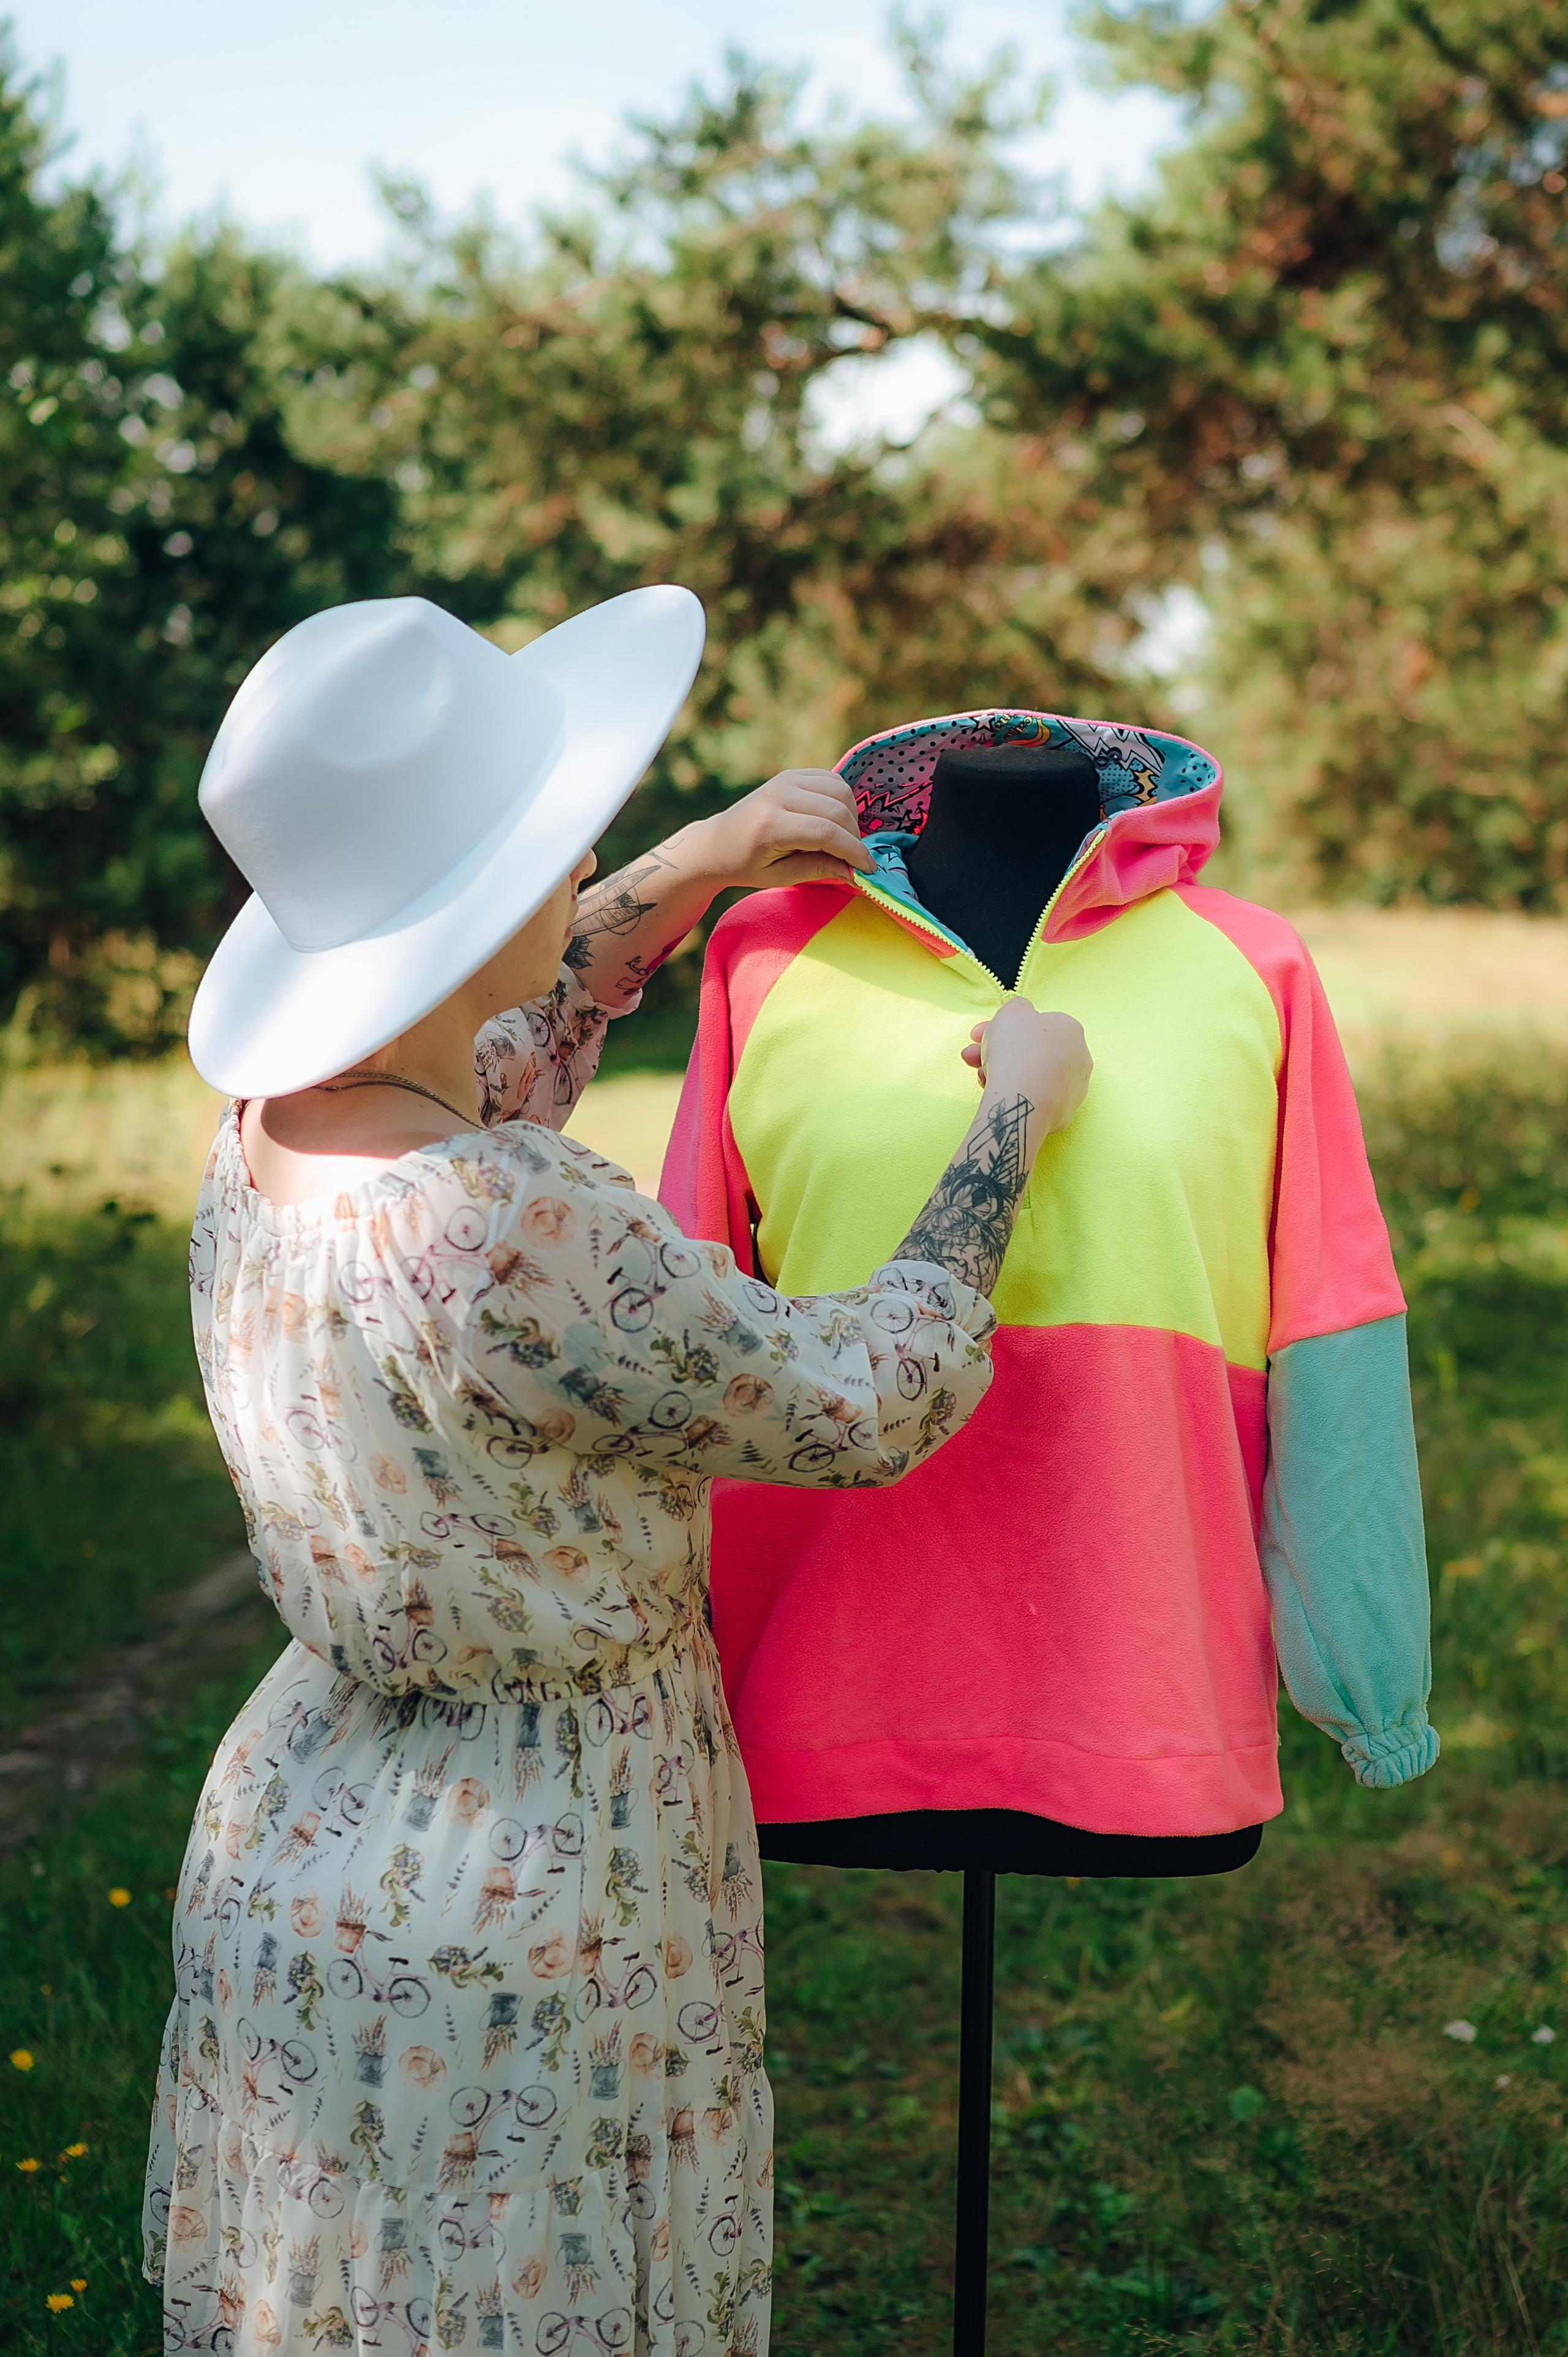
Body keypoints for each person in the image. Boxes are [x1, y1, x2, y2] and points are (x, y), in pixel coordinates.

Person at [143, 588, 1091, 2357]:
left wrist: (703, 861)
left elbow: (505, 1055)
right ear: (468, 903)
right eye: (549, 838)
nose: (579, 848)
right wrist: (1013, 1114)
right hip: (545, 1870)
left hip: (316, 1833)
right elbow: (857, 1397)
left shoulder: (273, 1135)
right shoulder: (510, 1226)